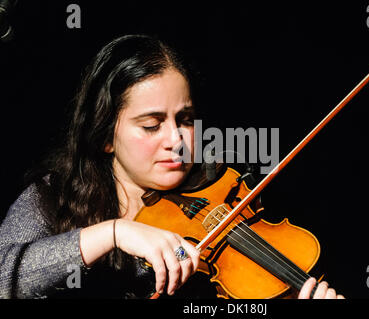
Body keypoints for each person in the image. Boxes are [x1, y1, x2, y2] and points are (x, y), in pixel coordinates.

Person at [0, 34, 344, 299]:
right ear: (105, 136)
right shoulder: (54, 196)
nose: (176, 140)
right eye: (151, 125)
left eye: (186, 120)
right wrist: (114, 232)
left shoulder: (223, 191)